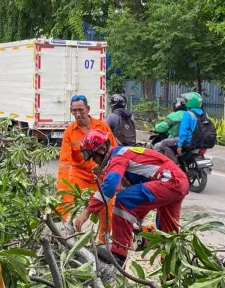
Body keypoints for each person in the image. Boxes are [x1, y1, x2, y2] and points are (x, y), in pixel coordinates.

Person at [74, 130, 189, 265]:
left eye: (94, 158)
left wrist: (87, 211)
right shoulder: (124, 154)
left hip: (169, 181)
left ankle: (118, 254)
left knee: (123, 201)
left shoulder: (118, 156)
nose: (94, 162)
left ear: (102, 149)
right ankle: (170, 278)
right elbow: (127, 188)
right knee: (169, 234)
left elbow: (111, 186)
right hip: (178, 182)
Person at [57, 94, 118, 243]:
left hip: (102, 176)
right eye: (74, 111)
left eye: (81, 110)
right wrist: (61, 190)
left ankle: (103, 243)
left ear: (88, 109)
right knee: (64, 204)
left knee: (108, 211)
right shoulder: (69, 133)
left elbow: (114, 152)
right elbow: (64, 164)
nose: (78, 114)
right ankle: (62, 237)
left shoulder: (102, 127)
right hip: (80, 176)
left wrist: (108, 172)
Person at [176, 92, 212, 160]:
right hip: (203, 142)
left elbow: (183, 131)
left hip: (190, 141)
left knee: (164, 143)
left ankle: (175, 164)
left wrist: (179, 146)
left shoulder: (188, 114)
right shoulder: (205, 114)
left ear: (190, 102)